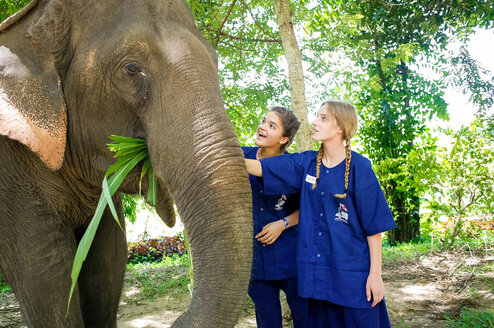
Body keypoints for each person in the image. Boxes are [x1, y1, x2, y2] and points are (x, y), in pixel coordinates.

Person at [246, 100, 396, 328]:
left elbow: (374, 228)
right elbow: (264, 168)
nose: (315, 121)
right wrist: (223, 154)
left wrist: (375, 275)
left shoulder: (360, 167)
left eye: (323, 118)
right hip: (316, 277)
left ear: (340, 128)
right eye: (317, 116)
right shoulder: (306, 162)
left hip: (352, 275)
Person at [243, 106, 308, 328]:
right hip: (255, 259)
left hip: (290, 256)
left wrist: (283, 223)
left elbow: (307, 208)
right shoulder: (242, 155)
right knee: (267, 320)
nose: (263, 127)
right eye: (264, 121)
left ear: (284, 139)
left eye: (272, 126)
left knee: (305, 317)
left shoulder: (295, 166)